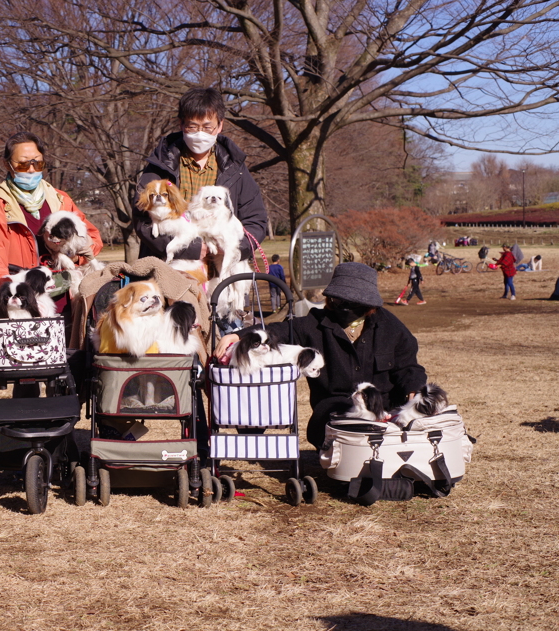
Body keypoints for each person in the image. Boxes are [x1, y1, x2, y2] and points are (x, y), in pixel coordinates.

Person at [215, 263, 428, 449]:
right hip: (334, 409)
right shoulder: (314, 324)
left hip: (383, 408)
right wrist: (238, 335)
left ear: (368, 305)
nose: (343, 307)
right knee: (333, 424)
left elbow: (408, 366)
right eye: (337, 300)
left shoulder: (391, 327)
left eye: (352, 303)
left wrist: (413, 391)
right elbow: (278, 330)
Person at [132, 88, 268, 268]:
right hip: (171, 269)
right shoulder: (160, 164)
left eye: (207, 127)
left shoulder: (236, 169)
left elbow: (256, 220)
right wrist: (190, 248)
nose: (199, 134)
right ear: (181, 125)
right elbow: (142, 218)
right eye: (192, 127)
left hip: (222, 270)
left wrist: (231, 247)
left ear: (220, 125)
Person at [0, 131, 103, 303]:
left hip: (66, 296)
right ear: (7, 164)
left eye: (37, 163)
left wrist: (76, 256)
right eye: (23, 164)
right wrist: (6, 285)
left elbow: (92, 237)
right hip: (24, 299)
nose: (31, 169)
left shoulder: (60, 199)